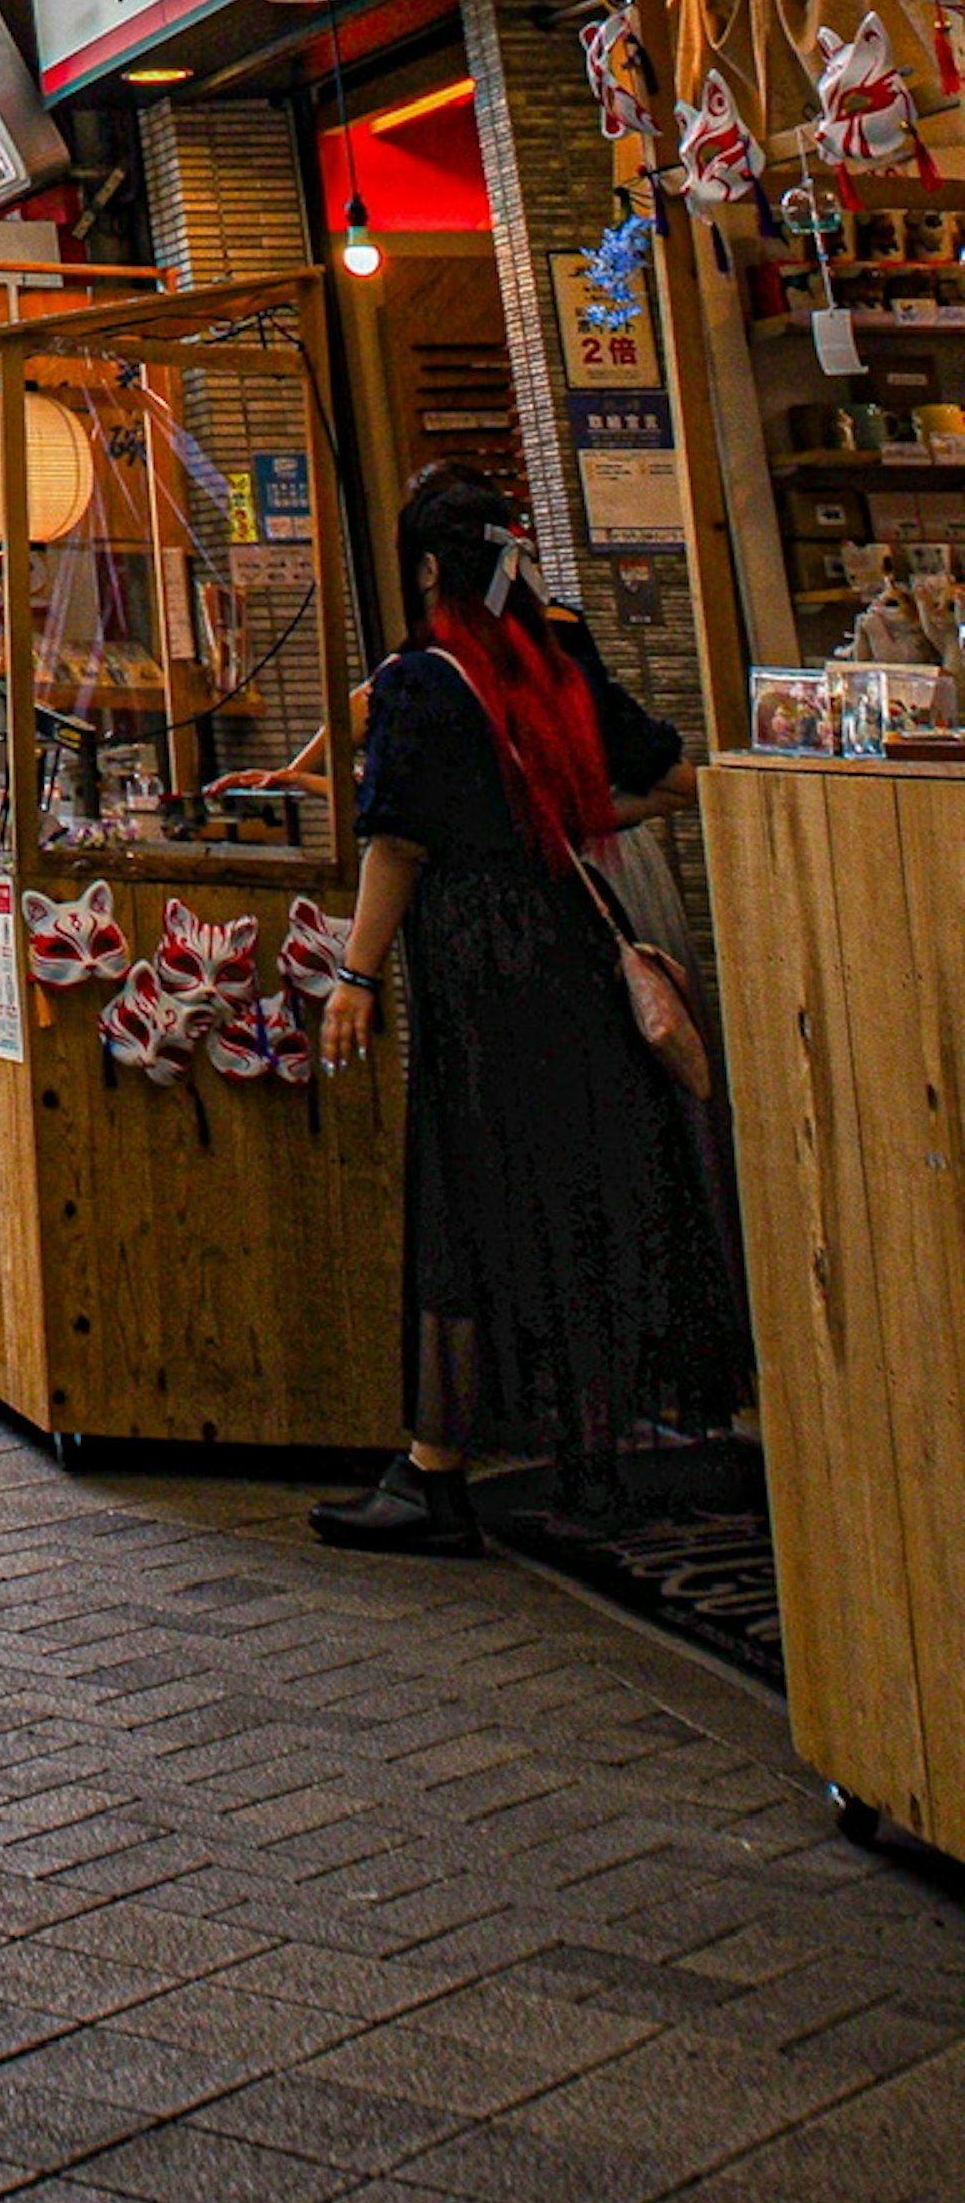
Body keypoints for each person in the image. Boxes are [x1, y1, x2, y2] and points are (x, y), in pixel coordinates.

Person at [312, 469, 751, 1555]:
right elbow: (664, 780)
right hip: (574, 952)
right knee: (584, 1198)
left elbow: (399, 843)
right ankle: (595, 1458)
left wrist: (356, 978)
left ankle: (436, 1475)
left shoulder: (421, 682)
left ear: (424, 569)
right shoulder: (557, 657)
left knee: (464, 1208)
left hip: (477, 967)